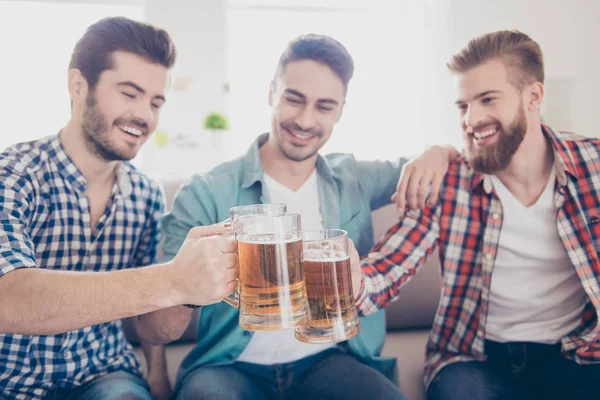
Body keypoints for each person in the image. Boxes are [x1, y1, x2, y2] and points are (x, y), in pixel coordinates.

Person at [136, 34, 459, 399]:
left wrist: (440, 149)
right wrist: (182, 300)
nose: (305, 120)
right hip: (229, 368)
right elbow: (155, 322)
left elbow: (443, 168)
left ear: (340, 110)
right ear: (271, 92)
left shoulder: (355, 176)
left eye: (324, 106)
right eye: (294, 99)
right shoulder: (206, 192)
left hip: (331, 359)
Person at [0, 17, 237, 400]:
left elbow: (149, 324)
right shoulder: (12, 174)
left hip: (106, 375)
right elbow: (7, 298)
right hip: (12, 381)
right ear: (78, 86)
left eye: (156, 102)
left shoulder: (146, 194)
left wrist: (157, 374)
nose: (145, 115)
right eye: (129, 94)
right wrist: (173, 278)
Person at [355, 30, 600, 400]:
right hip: (473, 359)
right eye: (463, 106)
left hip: (577, 353)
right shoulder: (450, 180)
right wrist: (346, 279)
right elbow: (387, 268)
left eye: (487, 99)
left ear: (534, 96)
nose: (472, 119)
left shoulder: (593, 166)